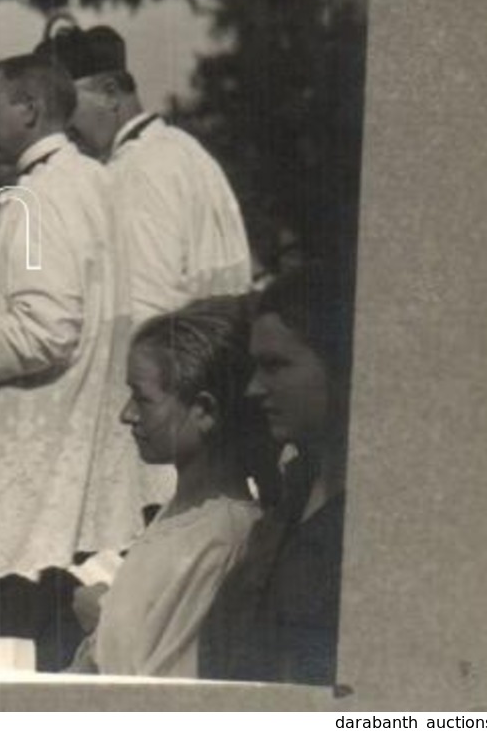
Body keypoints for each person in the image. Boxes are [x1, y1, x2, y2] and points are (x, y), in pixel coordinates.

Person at [0, 54, 146, 670]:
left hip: (36, 461)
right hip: (72, 451)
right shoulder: (92, 181)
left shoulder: (44, 195)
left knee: (13, 651)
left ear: (28, 109)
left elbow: (45, 331)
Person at [68, 296, 277, 678]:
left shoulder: (222, 538)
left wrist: (102, 619)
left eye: (143, 399)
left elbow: (168, 689)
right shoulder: (182, 514)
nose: (126, 414)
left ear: (203, 410)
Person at [198, 265, 352, 685]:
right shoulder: (292, 492)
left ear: (343, 365)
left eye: (276, 366)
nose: (254, 389)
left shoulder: (375, 519)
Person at [46, 21, 252, 323]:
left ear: (110, 93)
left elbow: (144, 308)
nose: (61, 126)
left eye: (66, 108)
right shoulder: (178, 147)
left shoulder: (140, 169)